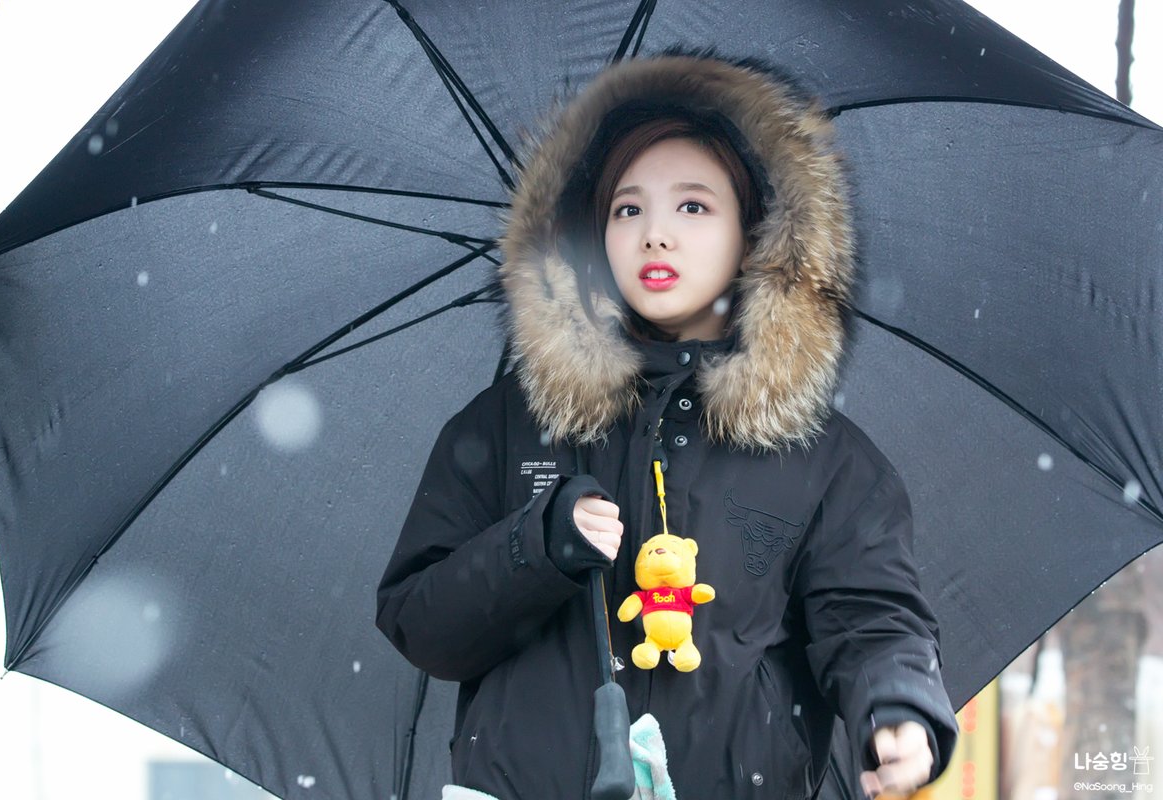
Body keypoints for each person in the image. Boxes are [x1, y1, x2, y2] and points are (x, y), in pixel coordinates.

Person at [376, 51, 958, 800]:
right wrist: (536, 545)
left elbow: (869, 617)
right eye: (628, 209)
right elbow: (422, 625)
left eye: (692, 207)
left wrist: (898, 707)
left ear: (758, 235)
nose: (655, 234)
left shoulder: (823, 458)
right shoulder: (507, 424)